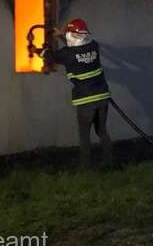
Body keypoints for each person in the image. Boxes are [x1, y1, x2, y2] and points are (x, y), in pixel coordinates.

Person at [43, 18, 113, 168]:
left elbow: (50, 56)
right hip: (102, 96)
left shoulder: (66, 54)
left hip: (85, 100)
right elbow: (78, 46)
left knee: (84, 136)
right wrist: (62, 35)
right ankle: (109, 163)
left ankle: (86, 168)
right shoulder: (94, 46)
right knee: (102, 131)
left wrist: (38, 50)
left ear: (71, 35)